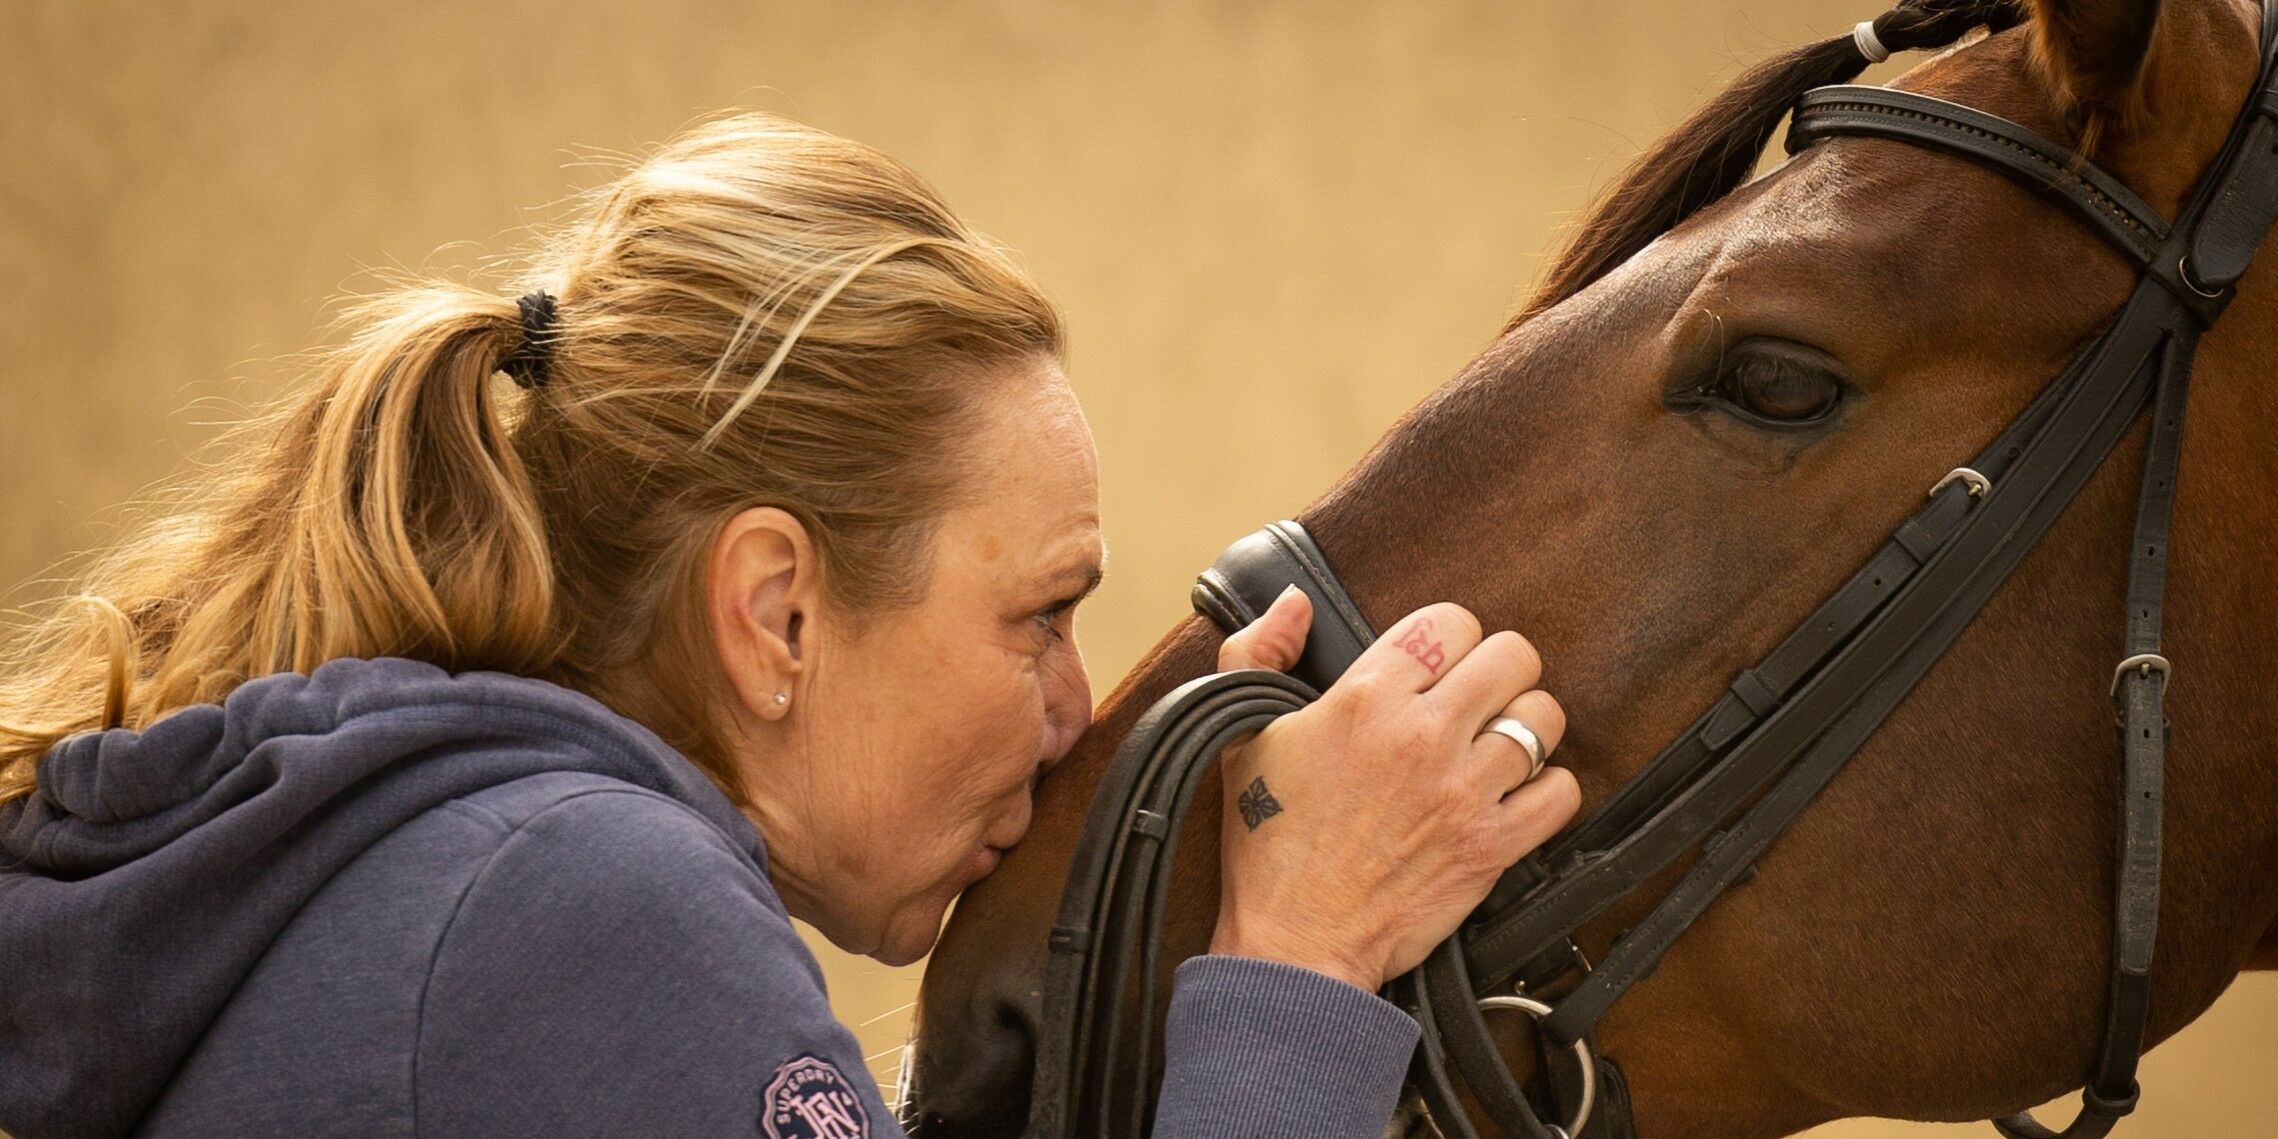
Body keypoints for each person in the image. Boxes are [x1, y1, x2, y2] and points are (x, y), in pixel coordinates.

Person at [0, 112, 1579, 1139]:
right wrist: (1301, 967)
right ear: (775, 617)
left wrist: (1155, 924)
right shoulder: (579, 902)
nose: (1068, 708)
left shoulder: (436, 875)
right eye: (1038, 616)